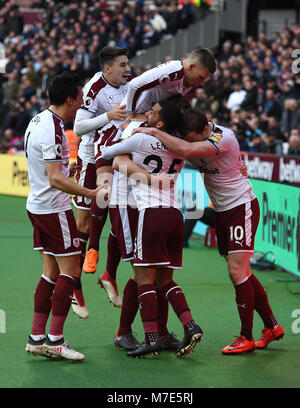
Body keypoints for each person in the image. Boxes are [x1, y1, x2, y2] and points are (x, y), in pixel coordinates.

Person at [134, 109, 284, 355]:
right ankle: (271, 326)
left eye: (194, 138)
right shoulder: (196, 137)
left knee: (237, 271)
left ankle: (246, 336)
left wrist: (152, 131)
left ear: (205, 131)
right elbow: (186, 151)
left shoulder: (224, 137)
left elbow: (189, 151)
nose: (191, 142)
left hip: (240, 206)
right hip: (223, 210)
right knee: (242, 270)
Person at [101, 100, 203, 358]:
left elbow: (108, 155)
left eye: (154, 112)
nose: (148, 112)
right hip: (174, 214)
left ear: (160, 122)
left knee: (143, 277)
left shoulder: (139, 136)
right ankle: (189, 325)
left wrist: (130, 130)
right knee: (164, 279)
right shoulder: (181, 149)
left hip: (148, 211)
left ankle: (152, 337)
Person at [24, 72, 105, 361]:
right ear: (70, 99)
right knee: (71, 272)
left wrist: (64, 172)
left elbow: (51, 171)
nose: (83, 103)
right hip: (53, 209)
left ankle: (36, 338)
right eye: (81, 98)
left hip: (37, 205)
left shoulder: (38, 120)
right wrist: (90, 192)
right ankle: (55, 340)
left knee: (51, 273)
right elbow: (55, 180)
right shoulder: (55, 128)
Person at [71, 46, 130, 316]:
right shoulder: (93, 88)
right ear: (107, 68)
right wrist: (108, 116)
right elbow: (78, 128)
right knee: (84, 224)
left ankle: (109, 275)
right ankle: (74, 286)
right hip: (90, 160)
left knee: (118, 216)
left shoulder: (130, 85)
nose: (127, 69)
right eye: (122, 65)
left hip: (117, 156)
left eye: (127, 64)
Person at [125, 47, 216, 115]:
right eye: (201, 77)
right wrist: (131, 114)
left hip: (145, 115)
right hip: (129, 113)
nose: (201, 83)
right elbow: (134, 85)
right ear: (191, 67)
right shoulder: (172, 71)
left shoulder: (188, 80)